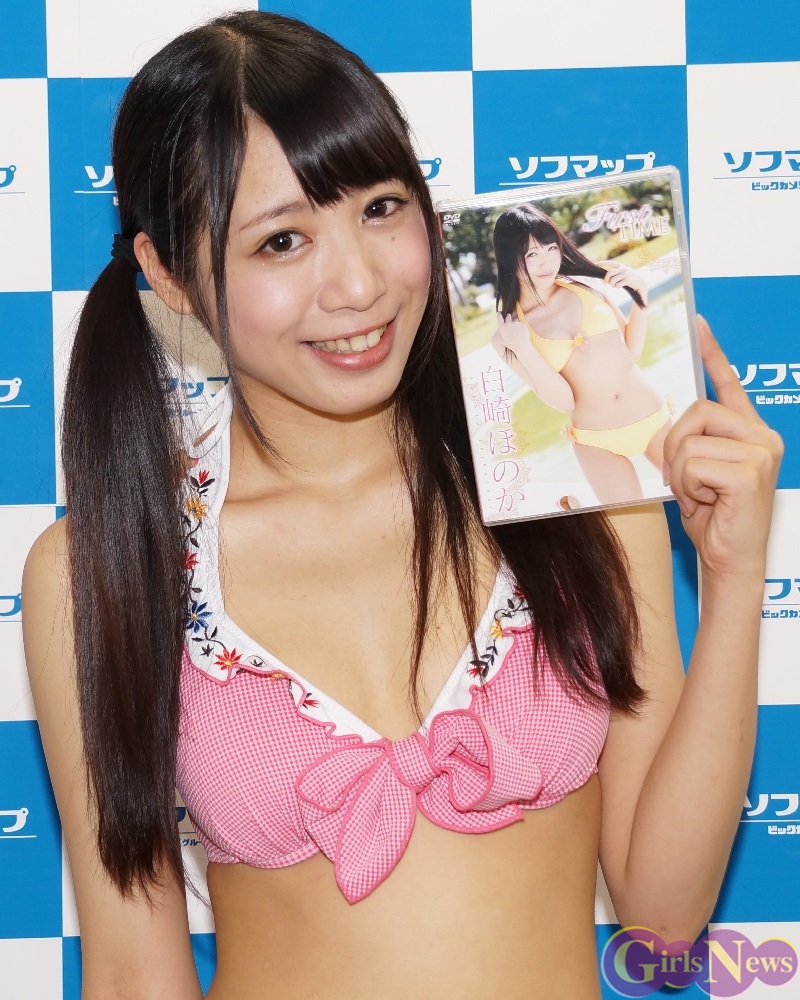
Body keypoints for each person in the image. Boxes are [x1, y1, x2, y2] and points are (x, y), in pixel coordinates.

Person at [21, 11, 781, 1000]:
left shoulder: (564, 477)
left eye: (380, 208)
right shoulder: (104, 565)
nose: (358, 284)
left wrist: (731, 579)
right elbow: (133, 974)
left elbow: (665, 918)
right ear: (167, 274)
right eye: (282, 240)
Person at [492, 203, 671, 504]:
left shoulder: (585, 285)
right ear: (510, 258)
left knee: (703, 500)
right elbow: (565, 401)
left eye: (551, 248)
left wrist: (640, 294)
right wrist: (524, 348)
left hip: (652, 416)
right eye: (531, 254)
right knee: (630, 525)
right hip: (597, 441)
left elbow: (630, 353)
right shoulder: (508, 336)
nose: (546, 262)